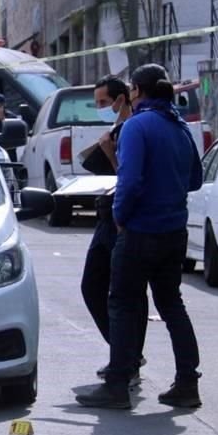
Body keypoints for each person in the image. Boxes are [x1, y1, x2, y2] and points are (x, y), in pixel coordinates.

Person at [76, 64, 203, 410]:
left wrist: (120, 217)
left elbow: (129, 183)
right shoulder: (181, 128)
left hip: (140, 231)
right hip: (174, 232)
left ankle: (118, 384)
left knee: (121, 303)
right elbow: (195, 180)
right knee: (172, 305)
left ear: (137, 92)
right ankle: (188, 383)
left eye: (131, 90)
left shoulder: (136, 127)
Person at [79, 76, 148, 385]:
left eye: (104, 103)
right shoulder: (119, 129)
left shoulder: (135, 129)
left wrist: (109, 153)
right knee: (92, 286)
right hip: (106, 213)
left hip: (125, 220)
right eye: (96, 104)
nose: (100, 109)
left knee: (129, 293)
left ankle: (127, 360)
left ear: (123, 99)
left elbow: (132, 178)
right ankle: (126, 353)